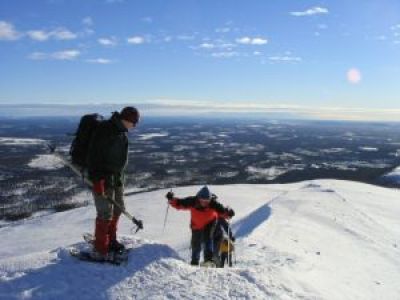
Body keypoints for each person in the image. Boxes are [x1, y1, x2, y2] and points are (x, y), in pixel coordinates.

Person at [87, 106, 140, 260]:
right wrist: (97, 180)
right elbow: (93, 157)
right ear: (126, 119)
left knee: (118, 209)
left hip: (116, 180)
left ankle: (111, 241)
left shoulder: (120, 132)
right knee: (105, 214)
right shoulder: (105, 130)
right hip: (103, 180)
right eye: (134, 122)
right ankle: (100, 249)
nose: (134, 126)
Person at [166, 186, 234, 266]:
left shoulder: (214, 204)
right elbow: (179, 203)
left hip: (210, 223)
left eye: (207, 201)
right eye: (202, 200)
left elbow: (223, 212)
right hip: (196, 226)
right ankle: (194, 262)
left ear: (210, 199)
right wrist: (171, 199)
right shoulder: (192, 201)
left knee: (207, 237)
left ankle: (208, 260)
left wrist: (229, 214)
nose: (205, 203)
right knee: (195, 244)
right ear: (198, 198)